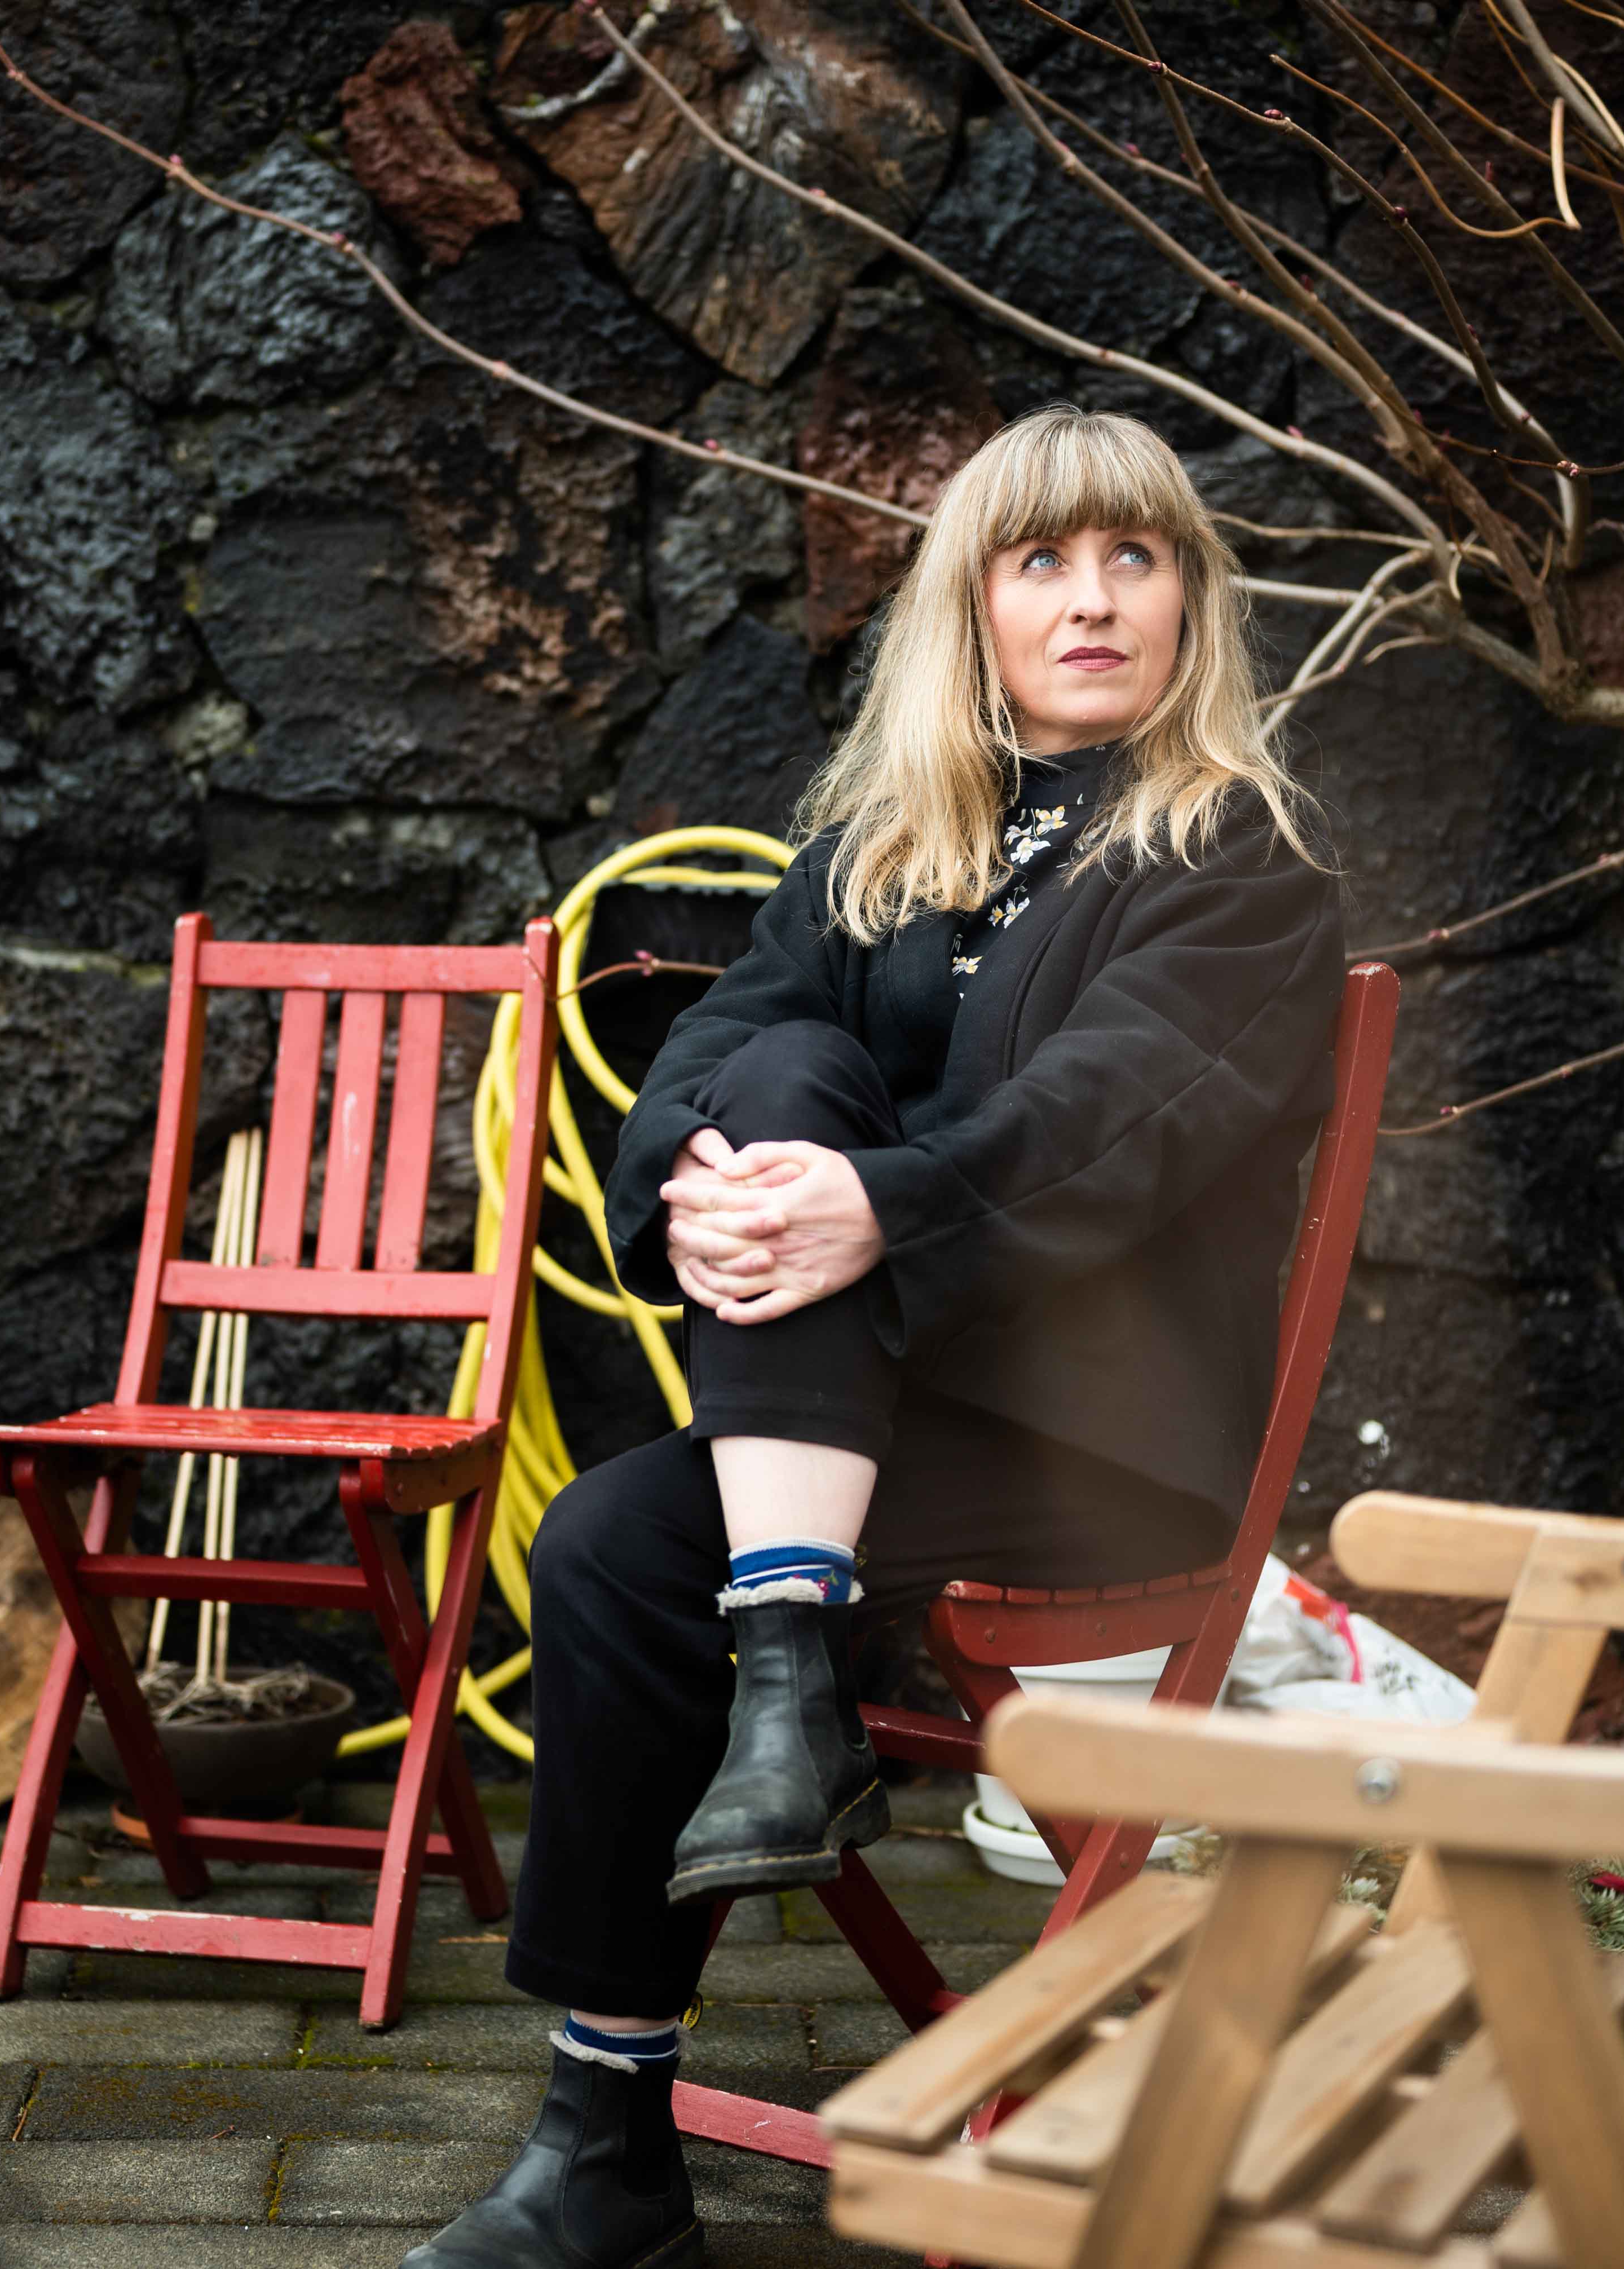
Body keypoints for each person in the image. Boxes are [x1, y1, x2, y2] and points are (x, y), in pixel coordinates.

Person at [403, 405, 1344, 2269]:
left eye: (1134, 558)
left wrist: (870, 1206)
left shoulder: (1242, 866)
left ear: (1189, 600)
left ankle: (783, 1676)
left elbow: (1110, 1119)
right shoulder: (890, 847)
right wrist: (696, 1184)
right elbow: (710, 1049)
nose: (1092, 603)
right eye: (1042, 562)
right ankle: (614, 2122)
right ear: (973, 609)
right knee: (618, 1494)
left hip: (1097, 1447)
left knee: (798, 1127)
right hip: (879, 1434)